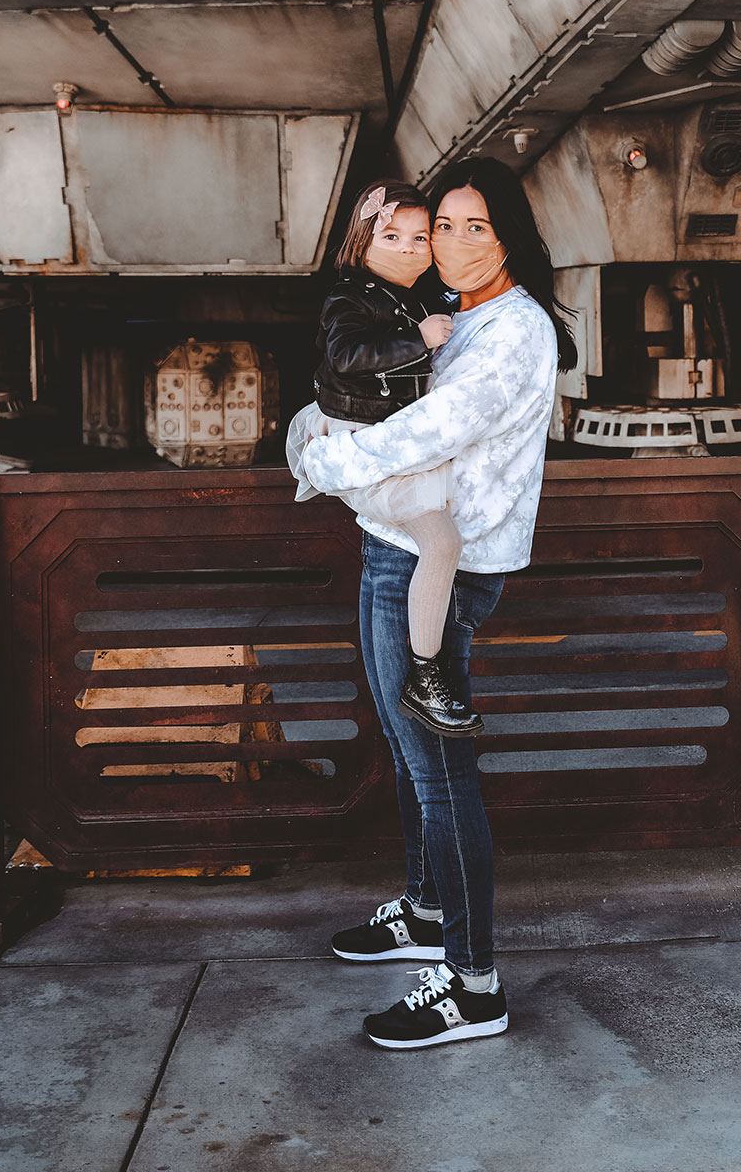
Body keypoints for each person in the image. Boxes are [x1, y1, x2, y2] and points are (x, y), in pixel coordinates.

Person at [289, 157, 570, 1050]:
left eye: (472, 227)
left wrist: (312, 453)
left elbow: (419, 431)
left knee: (439, 771)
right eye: (441, 225)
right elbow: (370, 385)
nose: (450, 242)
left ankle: (474, 983)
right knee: (417, 759)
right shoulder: (458, 314)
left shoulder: (511, 330)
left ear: (509, 236)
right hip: (404, 549)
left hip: (432, 567)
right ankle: (423, 910)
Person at [298, 182, 474, 737]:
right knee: (442, 542)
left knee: (444, 538)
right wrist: (418, 340)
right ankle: (426, 673)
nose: (409, 248)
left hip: (391, 439)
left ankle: (423, 668)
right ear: (362, 240)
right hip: (360, 441)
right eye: (392, 236)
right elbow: (346, 354)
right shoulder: (350, 296)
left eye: (421, 238)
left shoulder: (414, 294)